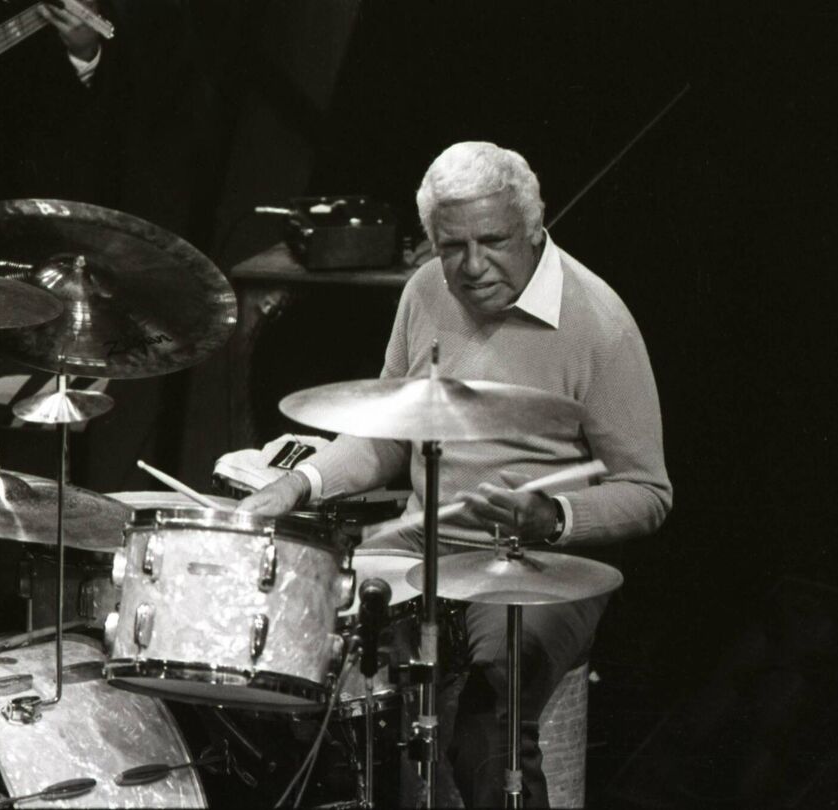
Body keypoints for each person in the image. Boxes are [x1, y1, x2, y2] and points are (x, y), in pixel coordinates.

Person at [239, 141, 672, 807]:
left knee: (488, 709)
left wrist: (553, 517)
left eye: (492, 242)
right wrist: (299, 484)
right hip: (425, 541)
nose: (471, 267)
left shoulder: (600, 323)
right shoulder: (424, 292)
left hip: (538, 559)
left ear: (533, 227)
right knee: (299, 628)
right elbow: (388, 437)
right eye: (451, 247)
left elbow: (647, 493)